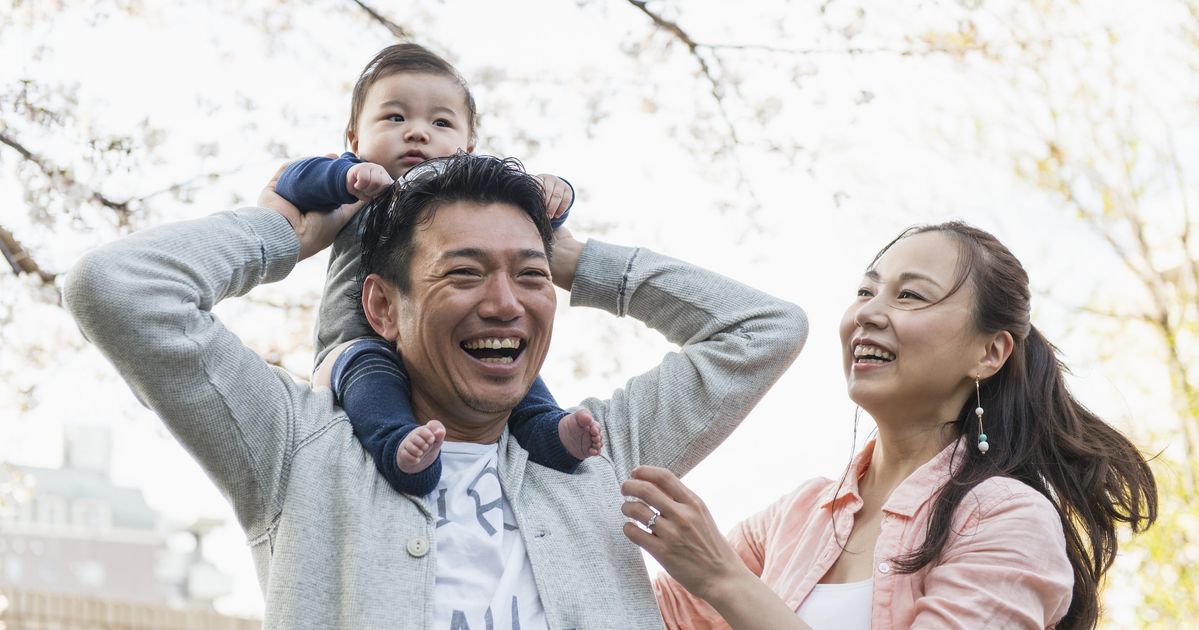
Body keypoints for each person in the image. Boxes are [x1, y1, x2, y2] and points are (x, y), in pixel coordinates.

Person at [64, 152, 807, 628]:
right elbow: (119, 288)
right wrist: (285, 229)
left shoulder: (598, 452)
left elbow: (765, 328)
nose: (506, 302)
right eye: (463, 271)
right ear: (383, 307)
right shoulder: (298, 449)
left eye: (529, 275)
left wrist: (578, 258)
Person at [621, 222, 1157, 629]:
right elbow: (625, 614)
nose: (869, 313)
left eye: (910, 295)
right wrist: (563, 259)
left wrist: (724, 581)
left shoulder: (1007, 519)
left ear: (989, 353)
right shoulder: (799, 515)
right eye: (865, 291)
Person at [276, 43, 596, 497]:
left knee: (512, 364)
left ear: (466, 148)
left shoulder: (471, 201)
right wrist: (343, 179)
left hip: (447, 342)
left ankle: (549, 431)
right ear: (353, 139)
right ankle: (397, 446)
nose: (417, 134)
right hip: (355, 342)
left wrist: (555, 191)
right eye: (395, 118)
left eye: (440, 122)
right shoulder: (357, 188)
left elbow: (534, 214)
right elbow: (291, 181)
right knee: (372, 377)